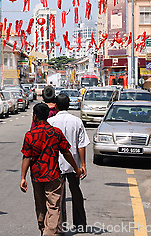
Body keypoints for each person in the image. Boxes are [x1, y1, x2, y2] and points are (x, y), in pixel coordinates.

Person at [20, 103, 83, 236]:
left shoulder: (30, 135)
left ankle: (44, 229)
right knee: (54, 206)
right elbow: (66, 152)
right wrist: (76, 168)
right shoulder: (56, 133)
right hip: (53, 175)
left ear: (35, 117)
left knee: (40, 205)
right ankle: (49, 231)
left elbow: (26, 157)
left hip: (37, 176)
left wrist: (22, 177)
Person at [48, 94, 90, 231]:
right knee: (76, 192)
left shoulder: (51, 121)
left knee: (58, 196)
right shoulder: (77, 121)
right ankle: (80, 223)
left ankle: (59, 225)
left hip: (56, 164)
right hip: (74, 164)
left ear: (56, 106)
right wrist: (82, 165)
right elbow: (81, 145)